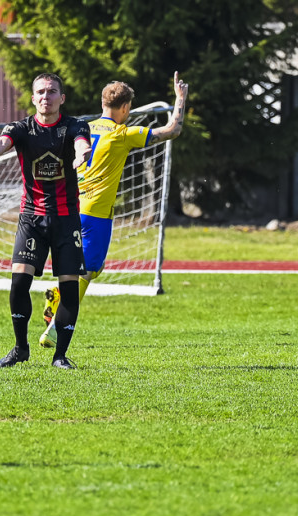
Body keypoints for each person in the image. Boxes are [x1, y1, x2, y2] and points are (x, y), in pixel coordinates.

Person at [39, 72, 189, 349]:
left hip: (70, 207)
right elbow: (172, 130)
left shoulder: (81, 127)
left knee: (87, 269)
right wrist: (180, 100)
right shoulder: (122, 134)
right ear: (125, 108)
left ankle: (57, 297)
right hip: (96, 213)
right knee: (89, 270)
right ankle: (54, 328)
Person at [0, 73, 92, 369]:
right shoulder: (22, 128)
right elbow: (2, 141)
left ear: (61, 98)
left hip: (66, 220)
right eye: (40, 92)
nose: (45, 97)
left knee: (69, 289)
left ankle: (60, 356)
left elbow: (81, 142)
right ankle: (20, 347)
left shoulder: (75, 126)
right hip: (32, 218)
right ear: (33, 98)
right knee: (18, 284)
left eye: (52, 92)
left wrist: (81, 153)